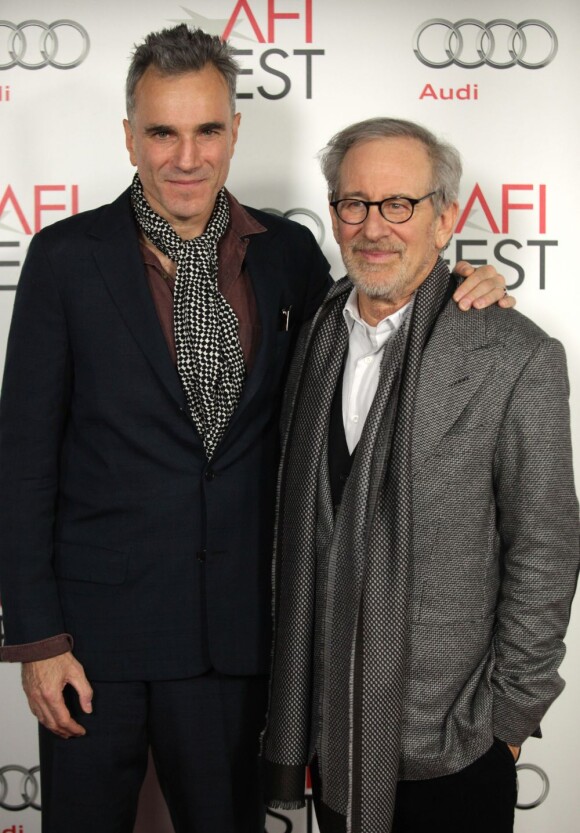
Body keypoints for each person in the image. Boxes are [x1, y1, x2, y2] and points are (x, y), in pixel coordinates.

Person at [0, 25, 509, 833]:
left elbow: (377, 320)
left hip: (237, 644)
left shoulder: (291, 255)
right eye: (162, 132)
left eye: (207, 129)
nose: (186, 156)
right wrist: (36, 641)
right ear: (130, 137)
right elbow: (21, 465)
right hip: (95, 646)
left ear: (235, 130)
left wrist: (461, 289)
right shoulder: (65, 258)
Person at [262, 117, 580, 833]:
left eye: (399, 204)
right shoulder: (311, 333)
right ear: (335, 213)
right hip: (331, 737)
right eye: (355, 203)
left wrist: (508, 717)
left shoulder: (512, 353)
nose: (375, 227)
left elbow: (546, 549)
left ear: (444, 220)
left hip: (456, 750)